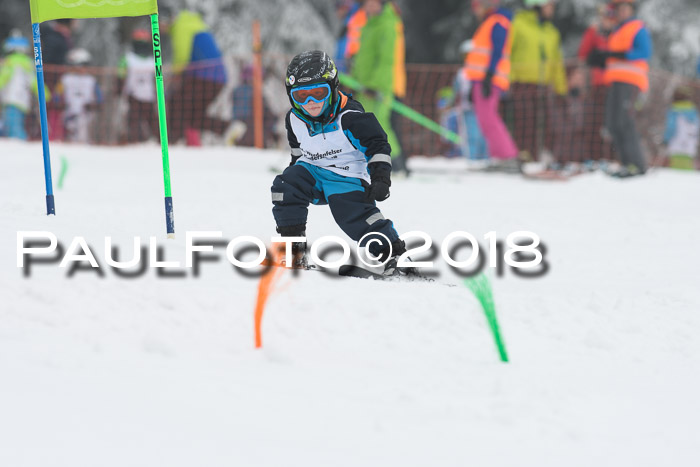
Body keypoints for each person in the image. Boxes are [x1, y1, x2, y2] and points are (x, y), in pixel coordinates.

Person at [271, 50, 414, 276]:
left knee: (355, 218)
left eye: (319, 93)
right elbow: (298, 154)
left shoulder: (350, 117)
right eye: (301, 96)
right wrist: (293, 180)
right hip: (314, 172)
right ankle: (294, 253)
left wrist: (380, 177)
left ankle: (396, 258)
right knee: (284, 188)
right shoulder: (294, 119)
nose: (311, 103)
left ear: (333, 87)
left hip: (346, 177)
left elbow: (378, 145)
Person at [589, 0, 652, 177]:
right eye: (620, 9)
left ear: (632, 10)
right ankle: (626, 163)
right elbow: (613, 57)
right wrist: (603, 59)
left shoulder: (637, 27)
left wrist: (619, 54)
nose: (622, 12)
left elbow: (645, 52)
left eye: (626, 9)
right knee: (613, 123)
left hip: (631, 81)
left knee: (625, 122)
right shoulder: (617, 31)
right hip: (616, 81)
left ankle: (637, 164)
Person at [351, 0, 408, 174]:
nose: (369, 6)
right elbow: (364, 57)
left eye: (373, 3)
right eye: (366, 3)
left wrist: (376, 85)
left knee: (380, 124)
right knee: (361, 124)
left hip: (380, 86)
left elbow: (387, 59)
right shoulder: (369, 23)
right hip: (364, 86)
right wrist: (355, 80)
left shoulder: (388, 24)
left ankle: (397, 164)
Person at [509, 0, 568, 165]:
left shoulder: (551, 32)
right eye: (549, 6)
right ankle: (521, 154)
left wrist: (561, 88)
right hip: (521, 82)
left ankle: (537, 156)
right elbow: (507, 52)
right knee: (524, 121)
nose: (552, 10)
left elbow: (557, 63)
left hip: (543, 85)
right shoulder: (519, 24)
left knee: (543, 121)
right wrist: (506, 79)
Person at [464, 0, 517, 169]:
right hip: (483, 80)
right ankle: (501, 157)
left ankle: (507, 157)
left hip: (489, 80)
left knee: (489, 119)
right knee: (486, 119)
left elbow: (497, 50)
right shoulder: (490, 22)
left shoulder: (498, 21)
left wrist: (489, 75)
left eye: (476, 7)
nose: (475, 11)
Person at [165, 10, 230, 146]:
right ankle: (229, 128)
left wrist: (175, 75)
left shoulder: (181, 26)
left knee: (175, 102)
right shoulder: (192, 23)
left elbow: (182, 55)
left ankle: (170, 141)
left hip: (205, 76)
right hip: (215, 78)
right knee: (193, 114)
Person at [577, 3, 616, 165]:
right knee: (593, 122)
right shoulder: (594, 32)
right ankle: (592, 158)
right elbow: (582, 54)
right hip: (598, 85)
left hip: (617, 85)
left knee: (614, 124)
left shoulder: (620, 32)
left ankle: (612, 158)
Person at [0, 33, 46, 140]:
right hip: (23, 100)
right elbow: (35, 81)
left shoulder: (10, 62)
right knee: (17, 123)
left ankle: (19, 143)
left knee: (12, 126)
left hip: (11, 98)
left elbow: (3, 78)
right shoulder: (29, 64)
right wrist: (45, 94)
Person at [118, 29, 158, 143]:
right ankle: (132, 142)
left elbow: (157, 79)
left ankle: (158, 142)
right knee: (132, 123)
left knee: (154, 124)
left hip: (148, 97)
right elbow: (120, 76)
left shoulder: (153, 60)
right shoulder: (127, 58)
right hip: (132, 96)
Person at [56, 48, 102, 143]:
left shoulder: (91, 80)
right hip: (69, 113)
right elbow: (56, 95)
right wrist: (60, 103)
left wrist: (93, 105)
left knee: (83, 136)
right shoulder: (66, 79)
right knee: (70, 136)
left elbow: (100, 98)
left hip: (85, 114)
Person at [40, 19, 75, 141]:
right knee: (52, 105)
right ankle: (51, 135)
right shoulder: (55, 37)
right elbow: (50, 57)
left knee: (56, 105)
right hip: (52, 76)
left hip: (56, 76)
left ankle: (55, 134)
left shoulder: (59, 35)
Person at [663, 86, 699, 171]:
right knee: (687, 167)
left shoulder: (674, 111)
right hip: (690, 144)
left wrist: (666, 139)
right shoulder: (693, 112)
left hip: (676, 143)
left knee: (676, 169)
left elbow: (671, 127)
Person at [335, 0, 360, 73]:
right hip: (342, 64)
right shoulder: (346, 21)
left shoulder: (352, 19)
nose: (338, 13)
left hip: (347, 64)